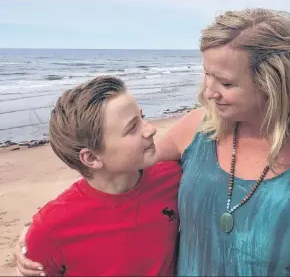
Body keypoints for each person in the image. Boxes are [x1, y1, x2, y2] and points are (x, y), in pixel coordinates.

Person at [15, 8, 290, 276]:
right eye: (206, 74)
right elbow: (114, 176)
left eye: (226, 83)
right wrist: (45, 228)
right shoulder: (198, 129)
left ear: (276, 84)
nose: (207, 92)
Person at [17, 75, 182, 276]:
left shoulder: (173, 178)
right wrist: (32, 239)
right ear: (92, 158)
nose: (150, 129)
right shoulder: (52, 228)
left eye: (142, 117)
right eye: (132, 127)